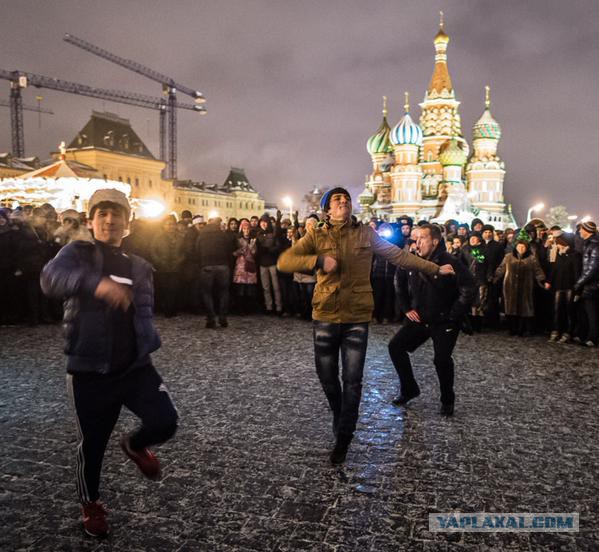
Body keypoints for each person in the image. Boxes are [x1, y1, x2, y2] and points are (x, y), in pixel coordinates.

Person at [277, 188, 454, 464]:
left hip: (356, 316)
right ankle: (339, 413)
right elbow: (286, 260)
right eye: (337, 200)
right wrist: (319, 260)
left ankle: (345, 435)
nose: (343, 202)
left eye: (346, 198)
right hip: (325, 313)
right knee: (327, 378)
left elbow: (398, 255)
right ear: (328, 210)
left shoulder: (365, 234)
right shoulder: (316, 234)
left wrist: (434, 268)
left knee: (353, 381)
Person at [40, 189, 178, 538]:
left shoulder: (139, 265)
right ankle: (91, 505)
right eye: (101, 213)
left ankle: (134, 444)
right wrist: (96, 285)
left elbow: (143, 312)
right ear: (90, 220)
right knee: (93, 444)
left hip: (134, 367)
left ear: (127, 223)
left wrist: (147, 340)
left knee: (166, 421)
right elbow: (50, 279)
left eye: (116, 214)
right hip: (90, 370)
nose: (109, 220)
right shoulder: (77, 253)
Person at [389, 224, 475, 417]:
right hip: (420, 318)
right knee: (395, 347)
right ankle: (409, 388)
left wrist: (454, 314)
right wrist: (406, 308)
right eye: (415, 238)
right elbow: (398, 282)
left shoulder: (450, 261)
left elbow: (468, 287)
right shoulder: (411, 260)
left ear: (434, 241)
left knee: (441, 360)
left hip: (444, 320)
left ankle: (447, 400)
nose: (416, 242)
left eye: (422, 238)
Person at [494, 231, 548, 336]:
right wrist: (495, 277)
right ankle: (512, 329)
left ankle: (521, 329)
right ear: (516, 247)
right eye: (519, 247)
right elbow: (501, 268)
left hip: (526, 286)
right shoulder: (508, 257)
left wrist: (542, 280)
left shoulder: (531, 258)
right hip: (510, 286)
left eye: (523, 247)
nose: (521, 249)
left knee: (524, 309)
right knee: (510, 308)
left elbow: (538, 271)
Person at [195, 216, 237, 328]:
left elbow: (197, 251)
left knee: (207, 293)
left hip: (206, 266)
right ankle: (223, 318)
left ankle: (211, 319)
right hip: (223, 266)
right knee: (224, 292)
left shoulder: (202, 236)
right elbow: (229, 250)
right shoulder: (223, 236)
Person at [573, 221, 599, 346]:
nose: (579, 231)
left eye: (581, 229)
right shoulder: (588, 243)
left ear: (587, 230)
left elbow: (592, 269)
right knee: (584, 311)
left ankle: (592, 339)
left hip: (592, 285)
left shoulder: (594, 245)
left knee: (592, 312)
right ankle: (583, 335)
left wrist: (579, 283)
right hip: (588, 284)